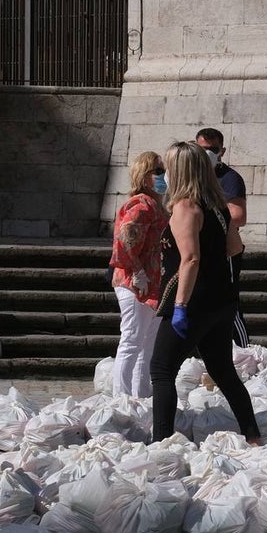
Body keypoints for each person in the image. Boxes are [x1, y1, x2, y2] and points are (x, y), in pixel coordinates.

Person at [150, 141, 260, 444]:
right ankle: (253, 435)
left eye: (167, 168)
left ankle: (161, 441)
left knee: (161, 370)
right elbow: (235, 248)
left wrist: (181, 306)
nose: (164, 174)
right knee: (223, 371)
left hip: (193, 300)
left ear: (180, 170)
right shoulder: (218, 208)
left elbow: (190, 258)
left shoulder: (186, 207)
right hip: (219, 301)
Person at [107, 151, 169, 398]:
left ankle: (140, 396)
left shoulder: (156, 206)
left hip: (152, 284)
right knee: (132, 340)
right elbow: (125, 241)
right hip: (135, 283)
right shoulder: (141, 205)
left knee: (147, 345)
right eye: (158, 171)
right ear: (145, 177)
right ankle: (121, 398)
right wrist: (137, 271)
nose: (163, 176)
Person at [195, 127, 250, 346]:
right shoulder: (192, 177)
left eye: (212, 149)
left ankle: (242, 348)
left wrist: (206, 222)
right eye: (202, 149)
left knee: (228, 302)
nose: (207, 154)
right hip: (196, 247)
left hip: (222, 249)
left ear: (222, 151)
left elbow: (238, 215)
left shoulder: (229, 178)